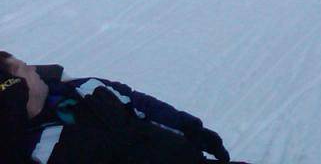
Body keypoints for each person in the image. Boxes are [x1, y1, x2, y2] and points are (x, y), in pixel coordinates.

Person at [0, 51, 239, 164]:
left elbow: (142, 105)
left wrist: (192, 128)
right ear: (13, 91)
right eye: (23, 69)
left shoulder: (82, 88)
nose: (33, 68)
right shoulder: (33, 152)